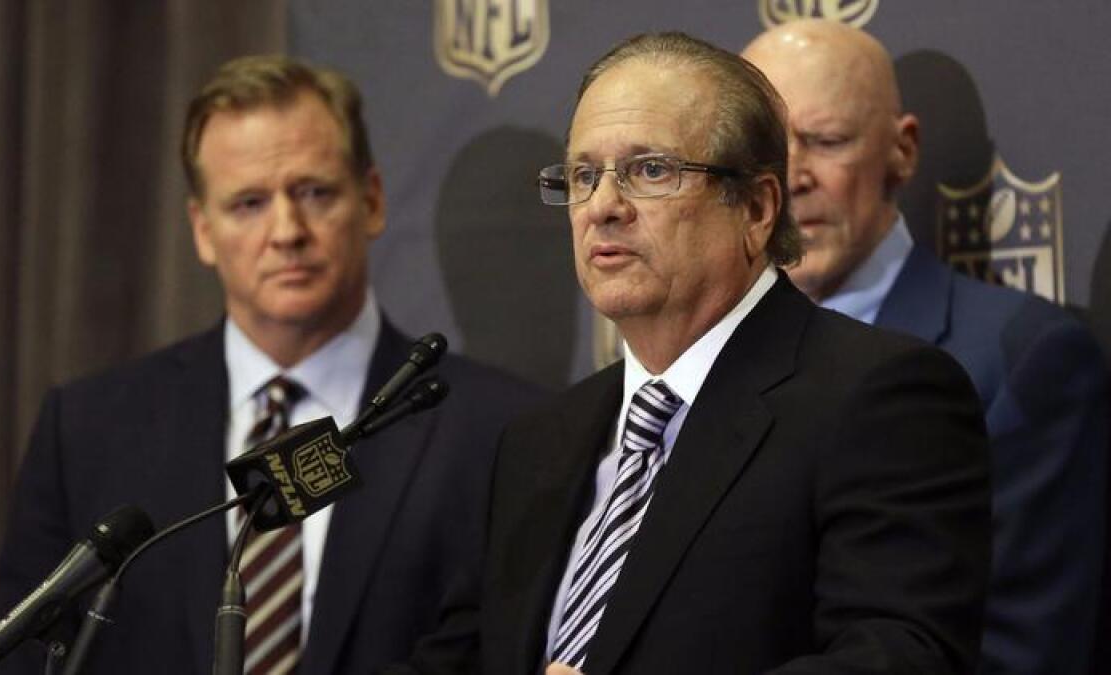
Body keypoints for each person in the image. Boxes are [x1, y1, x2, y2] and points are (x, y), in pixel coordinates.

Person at [390, 31, 990, 675]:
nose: (604, 208)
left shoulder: (878, 397)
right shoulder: (539, 440)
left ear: (757, 208)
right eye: (584, 175)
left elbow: (900, 657)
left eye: (650, 170)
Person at [0, 55, 540, 675]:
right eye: (249, 203)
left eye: (314, 192)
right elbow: (24, 657)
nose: (286, 231)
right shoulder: (88, 430)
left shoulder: (498, 430)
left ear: (373, 200)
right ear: (201, 229)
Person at [743, 20, 1108, 674]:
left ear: (902, 150)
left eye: (825, 141)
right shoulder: (702, 365)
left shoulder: (1024, 358)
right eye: (764, 150)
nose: (791, 177)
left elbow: (1016, 653)